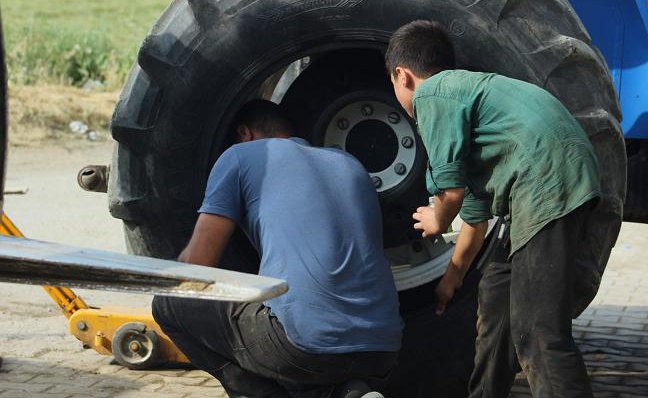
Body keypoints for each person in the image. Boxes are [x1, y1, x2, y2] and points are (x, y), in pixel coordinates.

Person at [385, 20, 600, 398]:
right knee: (497, 304)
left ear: (402, 75)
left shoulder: (432, 94)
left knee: (537, 328)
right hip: (547, 177)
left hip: (546, 181)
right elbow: (475, 217)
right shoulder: (469, 101)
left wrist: (436, 217)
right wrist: (452, 277)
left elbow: (450, 195)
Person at [152, 100, 402, 398]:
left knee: (169, 302)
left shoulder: (239, 155)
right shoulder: (349, 162)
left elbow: (199, 264)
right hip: (383, 345)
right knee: (312, 355)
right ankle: (351, 392)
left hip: (305, 344)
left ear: (245, 133)